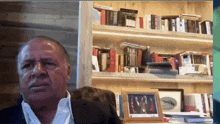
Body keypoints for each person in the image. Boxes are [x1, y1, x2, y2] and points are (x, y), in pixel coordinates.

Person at [0, 36, 121, 124]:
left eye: (48, 63)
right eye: (27, 65)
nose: (37, 71)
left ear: (67, 72)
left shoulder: (103, 115)